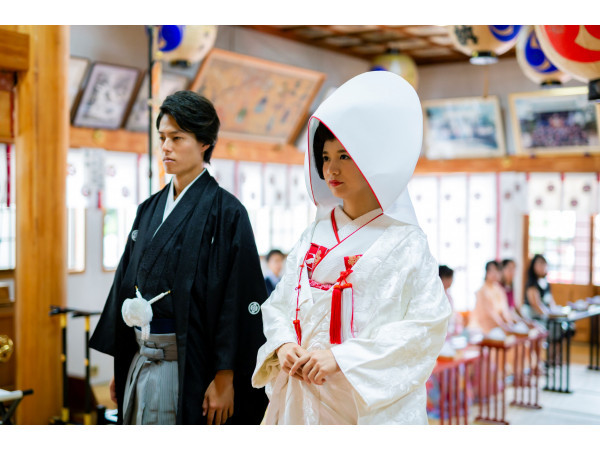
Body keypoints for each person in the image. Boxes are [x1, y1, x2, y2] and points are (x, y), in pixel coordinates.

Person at [252, 71, 451, 425]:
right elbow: (280, 304)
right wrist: (283, 345)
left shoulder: (406, 242)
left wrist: (344, 358)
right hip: (301, 395)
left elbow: (426, 325)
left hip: (358, 400)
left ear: (371, 160)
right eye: (325, 157)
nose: (331, 169)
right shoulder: (312, 234)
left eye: (344, 156)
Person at [89, 91, 269, 425]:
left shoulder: (227, 213)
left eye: (177, 137)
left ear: (204, 143)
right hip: (141, 357)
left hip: (192, 364)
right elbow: (126, 285)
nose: (166, 147)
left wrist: (225, 377)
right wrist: (124, 362)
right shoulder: (148, 209)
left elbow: (236, 298)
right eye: (162, 138)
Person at [470, 261, 520, 335]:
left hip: (498, 326)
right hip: (484, 327)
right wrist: (503, 326)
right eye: (492, 271)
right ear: (487, 272)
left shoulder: (499, 289)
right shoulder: (482, 291)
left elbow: (504, 310)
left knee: (518, 330)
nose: (495, 274)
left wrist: (510, 322)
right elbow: (491, 314)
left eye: (497, 271)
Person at [439, 265, 463, 336]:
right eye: (448, 278)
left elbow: (452, 312)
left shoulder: (448, 295)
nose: (451, 280)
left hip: (450, 329)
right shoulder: (437, 296)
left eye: (451, 278)